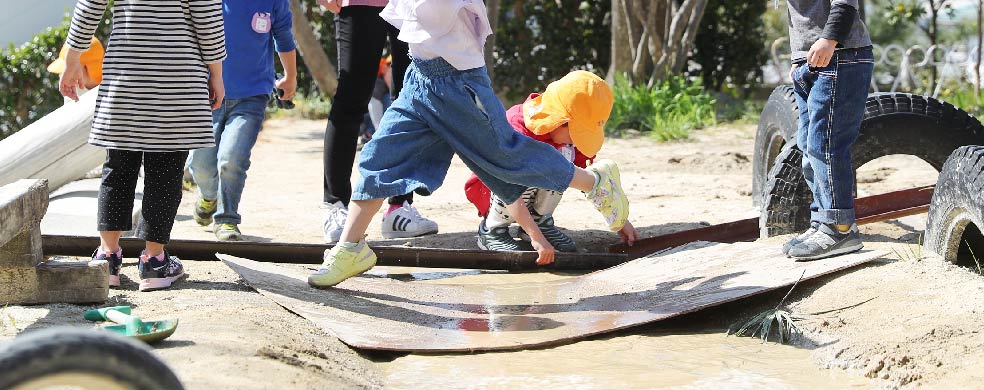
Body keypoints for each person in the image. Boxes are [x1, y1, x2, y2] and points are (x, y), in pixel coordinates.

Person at [307, 0, 638, 288]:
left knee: (506, 154)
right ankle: (351, 248)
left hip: (458, 83)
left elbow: (434, 15)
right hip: (419, 78)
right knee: (378, 156)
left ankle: (594, 182)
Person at [60, 0, 226, 291]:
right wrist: (217, 73)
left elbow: (90, 5)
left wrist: (73, 58)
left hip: (126, 76)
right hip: (176, 77)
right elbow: (208, 19)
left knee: (118, 168)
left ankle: (107, 260)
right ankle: (154, 262)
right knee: (165, 171)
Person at [465, 70, 632, 253]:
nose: (576, 142)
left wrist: (618, 219)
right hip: (495, 190)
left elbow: (592, 185)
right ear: (561, 121)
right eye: (577, 135)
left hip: (525, 199)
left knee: (564, 164)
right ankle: (492, 230)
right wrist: (537, 238)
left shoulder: (565, 142)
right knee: (538, 163)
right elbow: (505, 188)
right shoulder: (517, 128)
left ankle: (541, 221)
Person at [317, 0, 439, 244]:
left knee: (410, 100)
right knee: (351, 98)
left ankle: (399, 207)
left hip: (412, 4)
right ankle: (335, 204)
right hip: (358, 3)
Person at [187, 0, 297, 241]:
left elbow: (283, 34)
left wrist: (290, 76)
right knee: (201, 164)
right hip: (207, 94)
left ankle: (227, 219)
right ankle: (208, 196)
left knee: (231, 158)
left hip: (252, 95)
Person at [783, 0, 874, 260]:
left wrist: (828, 40)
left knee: (826, 146)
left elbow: (845, 4)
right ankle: (823, 222)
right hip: (810, 61)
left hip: (840, 56)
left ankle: (840, 229)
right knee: (809, 148)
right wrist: (798, 58)